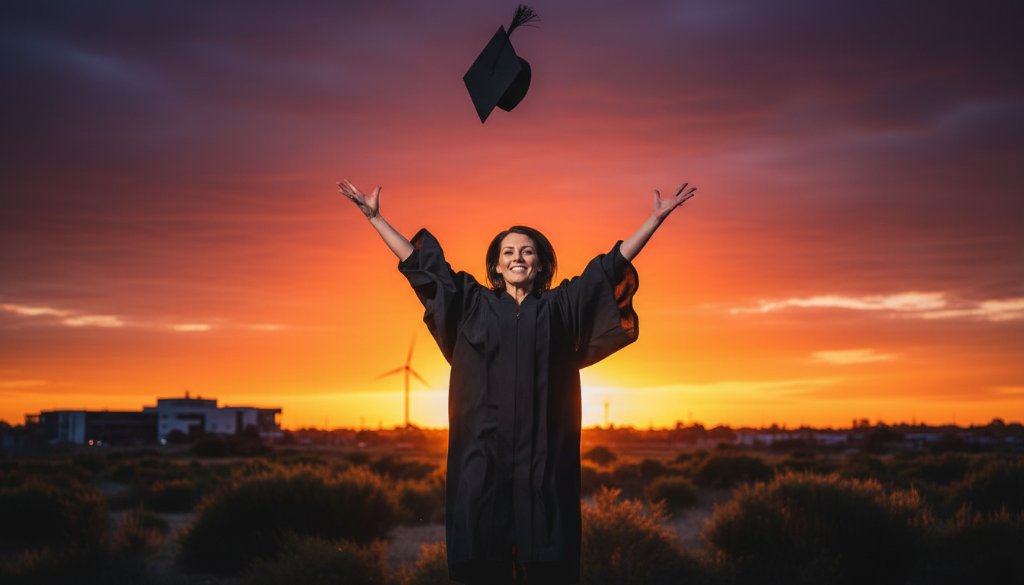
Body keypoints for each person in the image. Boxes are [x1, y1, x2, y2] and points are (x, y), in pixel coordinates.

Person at [337, 179, 697, 585]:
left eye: (527, 251)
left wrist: (654, 219)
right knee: (480, 549)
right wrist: (376, 218)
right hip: (482, 455)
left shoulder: (560, 307)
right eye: (508, 252)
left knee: (547, 550)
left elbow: (607, 269)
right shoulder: (472, 303)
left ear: (541, 263)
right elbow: (425, 270)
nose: (517, 258)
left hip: (544, 458)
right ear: (496, 265)